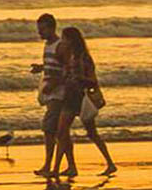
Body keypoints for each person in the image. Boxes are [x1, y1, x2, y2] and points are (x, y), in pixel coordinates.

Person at [51, 26, 118, 178]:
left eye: (65, 38)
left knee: (88, 133)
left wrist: (80, 79)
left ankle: (109, 163)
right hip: (70, 96)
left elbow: (93, 80)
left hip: (79, 97)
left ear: (71, 40)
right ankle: (66, 167)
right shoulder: (68, 56)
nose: (63, 41)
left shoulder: (83, 58)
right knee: (63, 132)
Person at [31, 13, 68, 178]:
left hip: (58, 94)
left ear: (51, 28)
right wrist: (41, 68)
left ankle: (48, 164)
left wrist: (54, 84)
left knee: (49, 129)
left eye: (42, 30)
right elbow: (53, 65)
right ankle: (70, 165)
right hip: (50, 91)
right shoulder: (48, 45)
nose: (39, 33)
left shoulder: (61, 46)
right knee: (60, 132)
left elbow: (68, 70)